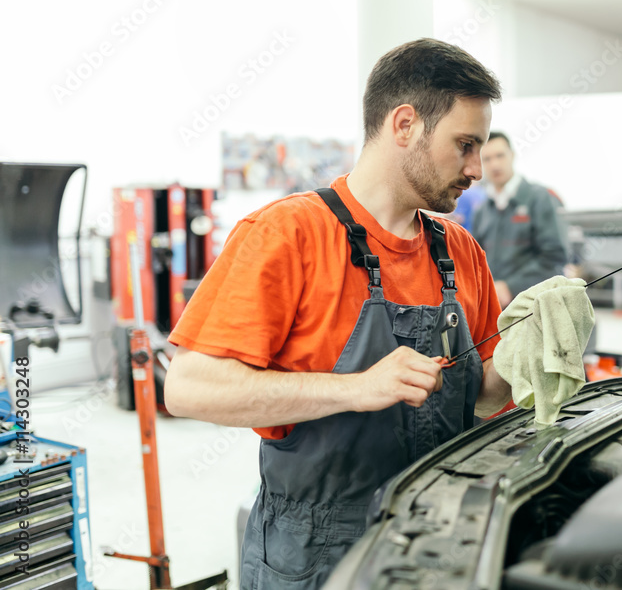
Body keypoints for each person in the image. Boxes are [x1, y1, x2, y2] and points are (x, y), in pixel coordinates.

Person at [163, 38, 512, 586]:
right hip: (315, 551)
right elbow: (188, 388)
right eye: (464, 144)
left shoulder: (460, 252)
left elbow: (488, 398)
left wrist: (528, 353)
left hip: (441, 541)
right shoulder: (287, 234)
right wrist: (354, 388)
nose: (476, 167)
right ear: (404, 125)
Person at [473, 132, 569, 308]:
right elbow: (475, 263)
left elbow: (555, 257)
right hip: (495, 310)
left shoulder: (540, 198)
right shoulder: (482, 211)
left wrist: (510, 287)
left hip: (535, 309)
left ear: (512, 156)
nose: (494, 164)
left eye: (500, 156)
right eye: (487, 159)